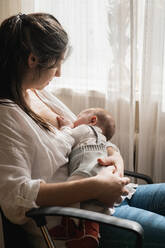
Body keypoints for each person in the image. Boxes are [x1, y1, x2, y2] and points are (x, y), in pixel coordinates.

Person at [0, 12, 165, 248]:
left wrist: (114, 158)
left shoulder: (38, 93)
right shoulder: (6, 116)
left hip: (117, 195)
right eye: (57, 63)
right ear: (33, 59)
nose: (59, 73)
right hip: (82, 219)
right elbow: (14, 197)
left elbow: (90, 132)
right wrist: (96, 186)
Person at [49, 107, 118, 248]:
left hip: (86, 167)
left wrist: (66, 127)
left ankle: (69, 226)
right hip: (100, 170)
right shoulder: (103, 139)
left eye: (78, 116)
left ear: (92, 120)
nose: (75, 120)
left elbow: (65, 141)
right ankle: (91, 233)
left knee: (70, 194)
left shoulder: (85, 129)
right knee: (92, 205)